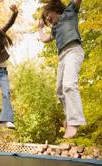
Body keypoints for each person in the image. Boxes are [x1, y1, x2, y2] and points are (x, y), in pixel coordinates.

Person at [37, 0, 86, 138]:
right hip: (62, 57)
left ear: (55, 9)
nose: (47, 18)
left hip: (73, 51)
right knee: (59, 90)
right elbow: (46, 39)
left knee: (69, 84)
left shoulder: (69, 12)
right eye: (45, 17)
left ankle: (74, 121)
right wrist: (39, 28)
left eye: (48, 14)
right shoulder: (55, 27)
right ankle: (69, 117)